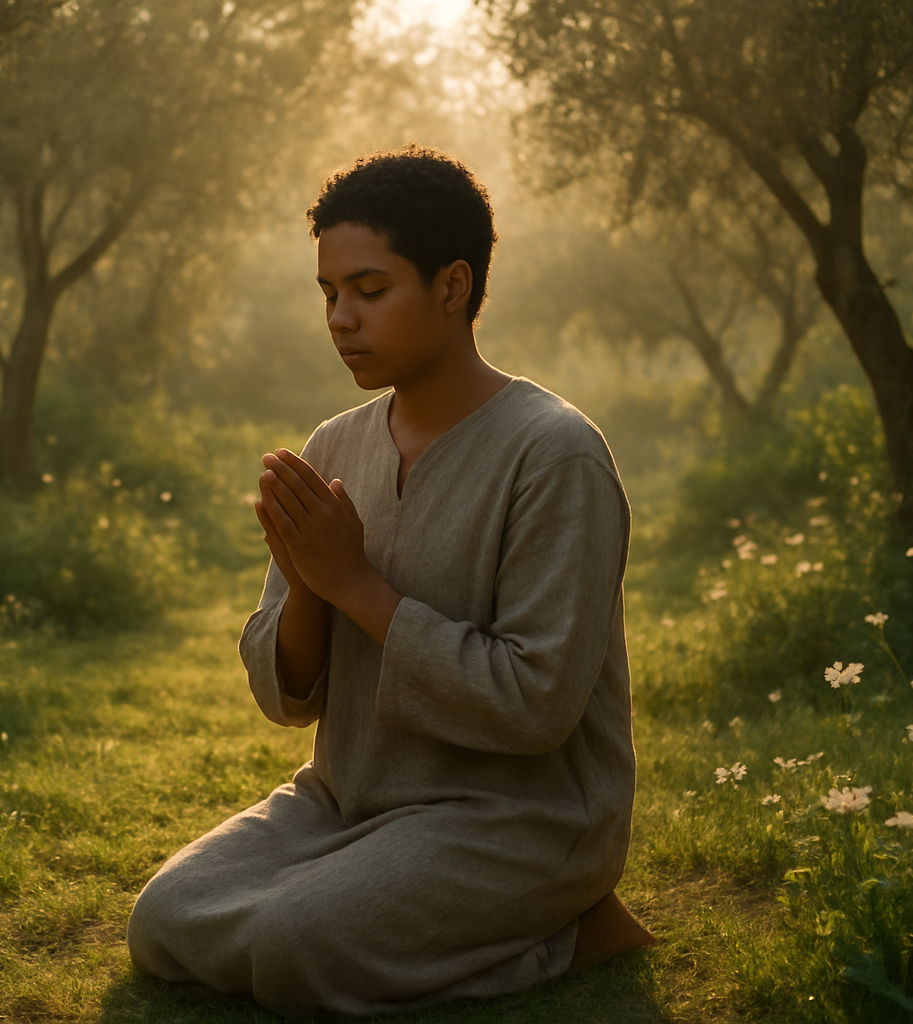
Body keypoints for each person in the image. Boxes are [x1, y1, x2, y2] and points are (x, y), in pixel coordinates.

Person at [126, 145, 652, 1016]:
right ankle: (405, 905)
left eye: (369, 290)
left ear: (452, 287)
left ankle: (568, 931)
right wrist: (309, 583)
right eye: (329, 293)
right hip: (348, 801)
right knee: (165, 920)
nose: (341, 319)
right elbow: (286, 698)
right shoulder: (336, 444)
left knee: (296, 948)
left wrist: (357, 584)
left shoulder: (554, 455)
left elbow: (537, 704)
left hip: (517, 819)